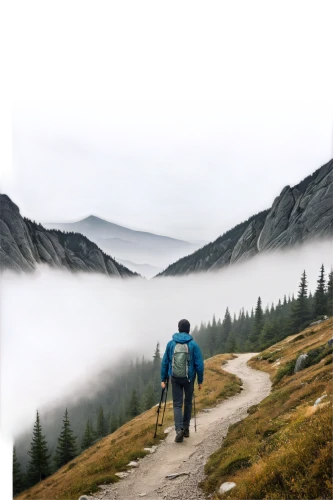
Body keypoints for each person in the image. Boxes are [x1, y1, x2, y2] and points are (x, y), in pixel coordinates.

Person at [161, 319, 204, 443]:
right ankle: (186, 429)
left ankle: (178, 429)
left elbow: (165, 362)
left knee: (177, 404)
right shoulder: (193, 345)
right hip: (189, 378)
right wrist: (200, 381)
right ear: (188, 329)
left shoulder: (171, 344)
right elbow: (199, 365)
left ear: (178, 328)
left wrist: (163, 378)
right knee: (188, 402)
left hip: (175, 378)